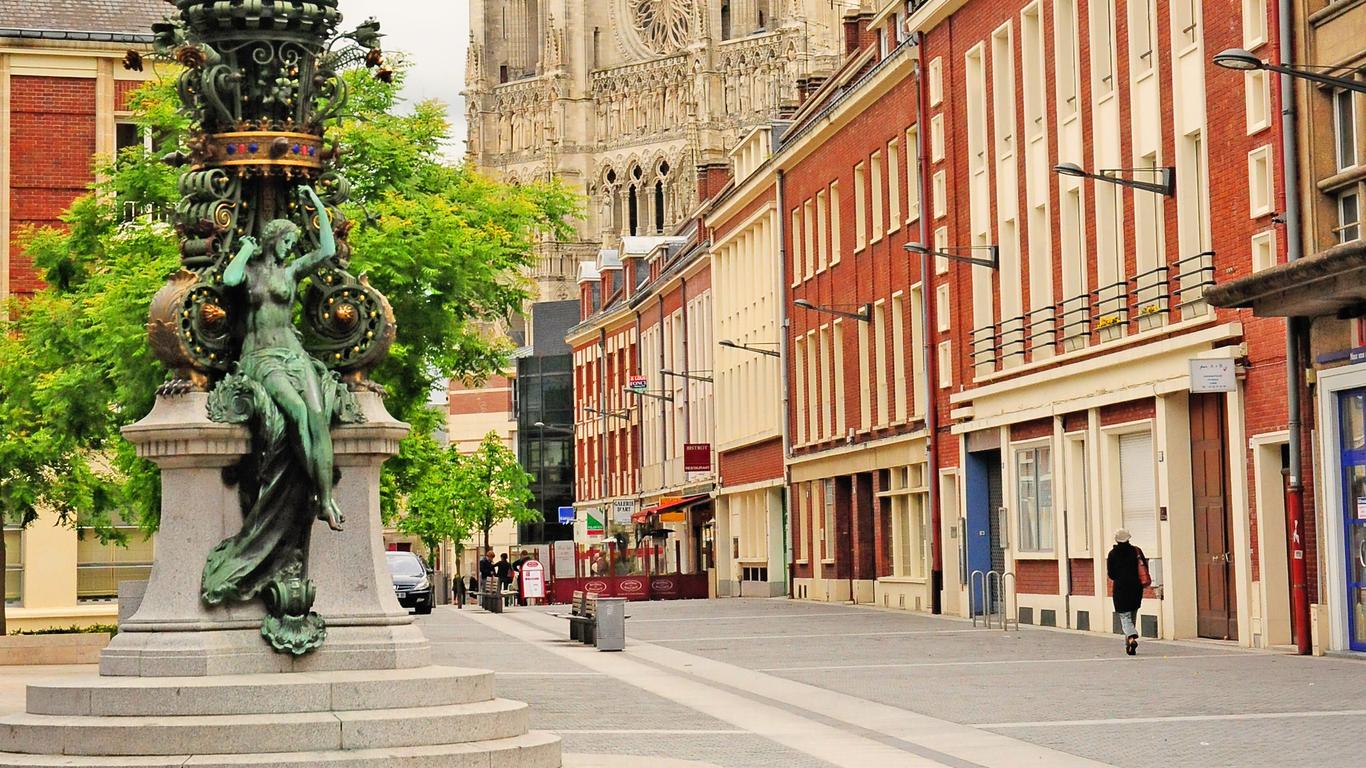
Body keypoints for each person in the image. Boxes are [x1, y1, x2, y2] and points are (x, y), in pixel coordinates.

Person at [1107, 528, 1147, 656]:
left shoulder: (1112, 554)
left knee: (1124, 616)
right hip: (1136, 587)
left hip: (1121, 588)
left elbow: (1111, 574)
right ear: (1128, 539)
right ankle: (1129, 647)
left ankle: (1130, 638)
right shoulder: (1136, 551)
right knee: (1132, 614)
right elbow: (1144, 565)